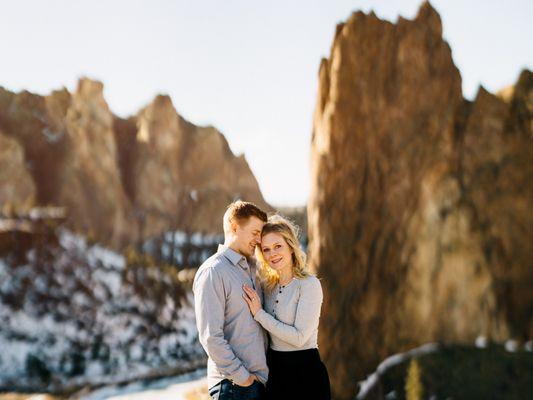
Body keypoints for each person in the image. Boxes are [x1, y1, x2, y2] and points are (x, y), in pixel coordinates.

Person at [243, 215, 331, 400]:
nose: (272, 254)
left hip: (306, 374)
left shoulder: (309, 285)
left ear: (290, 246)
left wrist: (259, 314)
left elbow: (299, 337)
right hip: (275, 372)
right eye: (266, 249)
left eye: (278, 246)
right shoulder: (267, 287)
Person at [193, 200, 269, 400]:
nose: (259, 240)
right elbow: (211, 336)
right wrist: (243, 378)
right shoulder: (213, 272)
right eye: (255, 233)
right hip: (235, 387)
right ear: (235, 227)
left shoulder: (253, 270)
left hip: (259, 384)